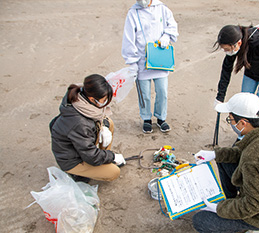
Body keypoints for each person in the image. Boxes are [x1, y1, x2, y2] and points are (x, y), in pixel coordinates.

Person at [192, 93, 259, 233]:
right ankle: (231, 203)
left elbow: (255, 205)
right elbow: (241, 151)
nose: (231, 123)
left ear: (243, 123)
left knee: (201, 220)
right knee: (224, 159)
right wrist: (214, 154)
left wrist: (219, 209)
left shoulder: (254, 159)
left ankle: (246, 222)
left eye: (231, 120)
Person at [49, 74, 126, 183]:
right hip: (72, 159)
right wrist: (112, 157)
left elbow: (100, 118)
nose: (105, 103)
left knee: (109, 122)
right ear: (92, 99)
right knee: (113, 172)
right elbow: (91, 156)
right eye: (104, 100)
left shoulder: (81, 97)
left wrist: (104, 127)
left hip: (81, 147)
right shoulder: (79, 123)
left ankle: (103, 158)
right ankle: (76, 172)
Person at [122, 0, 178, 133]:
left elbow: (172, 26)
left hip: (160, 57)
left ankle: (161, 118)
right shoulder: (133, 13)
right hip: (141, 60)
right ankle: (146, 118)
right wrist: (132, 62)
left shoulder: (162, 8)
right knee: (144, 94)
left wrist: (166, 37)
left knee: (162, 92)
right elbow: (129, 38)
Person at [214, 24, 259, 107]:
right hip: (250, 73)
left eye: (227, 49)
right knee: (244, 104)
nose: (226, 52)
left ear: (239, 43)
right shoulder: (233, 47)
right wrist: (220, 98)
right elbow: (226, 70)